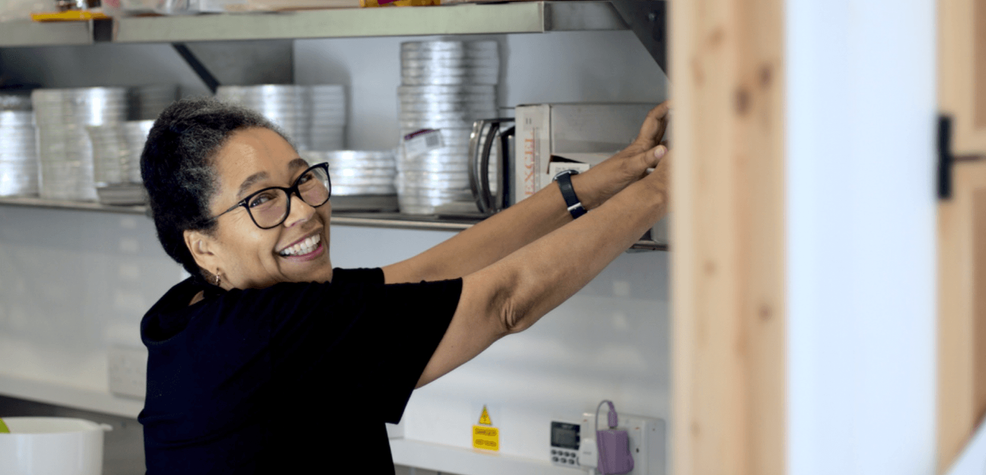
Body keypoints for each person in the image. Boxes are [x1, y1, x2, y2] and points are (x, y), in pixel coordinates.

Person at [137, 97, 671, 474]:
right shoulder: (267, 334)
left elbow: (426, 273)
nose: (302, 210)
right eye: (262, 200)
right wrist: (666, 188)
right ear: (202, 246)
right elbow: (505, 302)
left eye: (302, 180)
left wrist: (603, 181)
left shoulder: (199, 313)